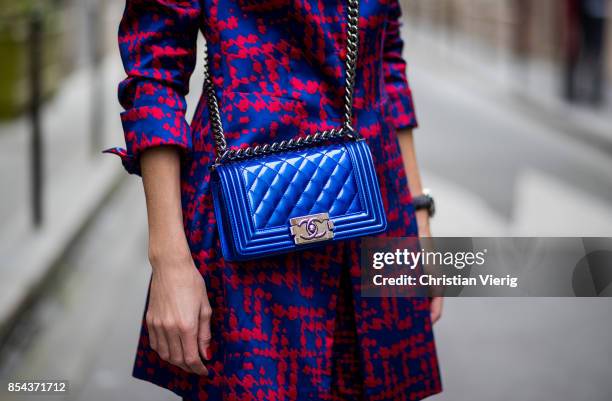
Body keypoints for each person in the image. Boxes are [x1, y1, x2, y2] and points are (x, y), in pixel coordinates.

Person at [105, 0, 443, 400]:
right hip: (250, 225)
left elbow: (387, 61)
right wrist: (168, 260)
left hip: (379, 210)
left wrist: (419, 214)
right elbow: (155, 75)